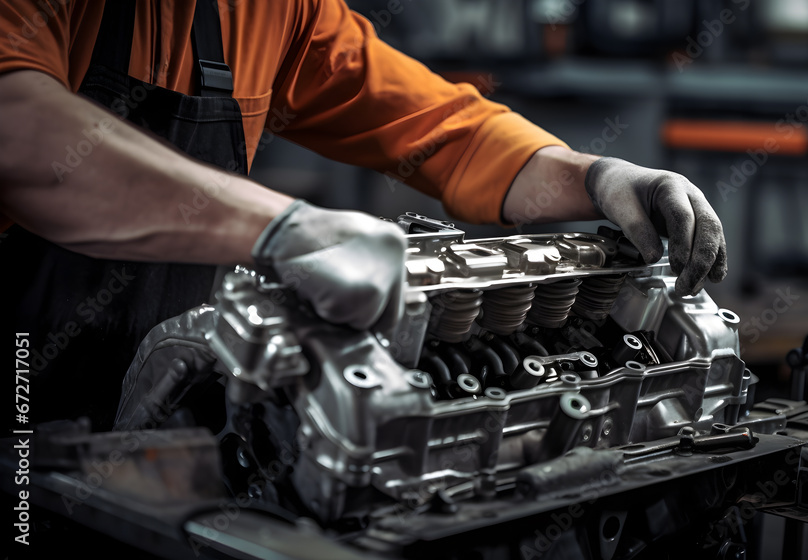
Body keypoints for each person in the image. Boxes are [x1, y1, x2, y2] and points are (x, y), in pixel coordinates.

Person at [0, 0, 726, 429]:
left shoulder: (270, 11)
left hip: (168, 392)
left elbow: (447, 133)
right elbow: (19, 134)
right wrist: (284, 228)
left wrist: (599, 175)